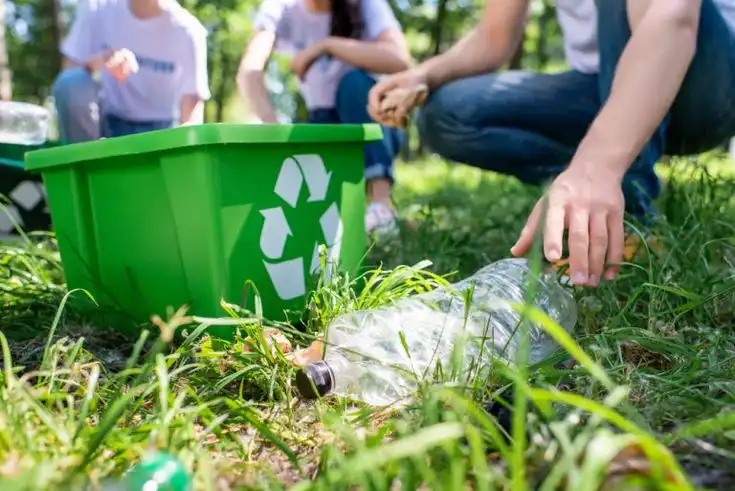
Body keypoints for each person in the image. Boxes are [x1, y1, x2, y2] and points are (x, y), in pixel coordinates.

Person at [368, 0, 735, 287]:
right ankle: (583, 203)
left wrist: (598, 163)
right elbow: (494, 37)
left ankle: (630, 218)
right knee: (447, 114)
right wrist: (422, 74)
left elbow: (670, 16)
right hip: (595, 89)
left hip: (703, 84)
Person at [238, 0, 411, 234]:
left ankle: (381, 205)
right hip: (321, 121)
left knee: (353, 84)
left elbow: (400, 59)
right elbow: (250, 71)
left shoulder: (366, 4)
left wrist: (327, 45)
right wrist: (272, 126)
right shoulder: (280, 7)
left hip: (374, 121)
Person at [52, 0, 211, 142]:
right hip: (106, 122)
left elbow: (191, 118)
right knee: (71, 83)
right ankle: (84, 162)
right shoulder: (97, 9)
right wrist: (102, 60)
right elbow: (69, 76)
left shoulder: (189, 31)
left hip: (162, 132)